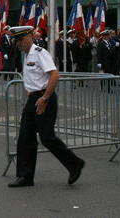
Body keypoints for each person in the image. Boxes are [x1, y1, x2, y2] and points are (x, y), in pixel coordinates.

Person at [7, 26, 85, 188]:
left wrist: (45, 97)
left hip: (45, 99)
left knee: (47, 137)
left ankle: (75, 163)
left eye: (20, 40)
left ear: (29, 37)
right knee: (25, 137)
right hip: (33, 100)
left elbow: (55, 75)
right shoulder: (27, 54)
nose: (18, 44)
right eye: (16, 41)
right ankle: (25, 176)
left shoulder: (40, 53)